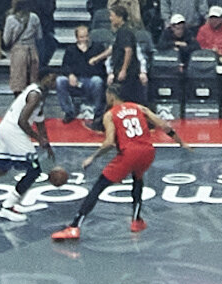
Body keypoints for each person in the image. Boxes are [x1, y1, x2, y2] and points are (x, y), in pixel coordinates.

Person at [58, 93, 160, 244]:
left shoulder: (111, 114)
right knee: (138, 179)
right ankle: (136, 220)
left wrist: (92, 157)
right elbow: (163, 125)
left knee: (98, 187)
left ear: (112, 97)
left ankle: (74, 226)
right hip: (147, 152)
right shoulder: (137, 108)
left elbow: (108, 143)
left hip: (129, 155)